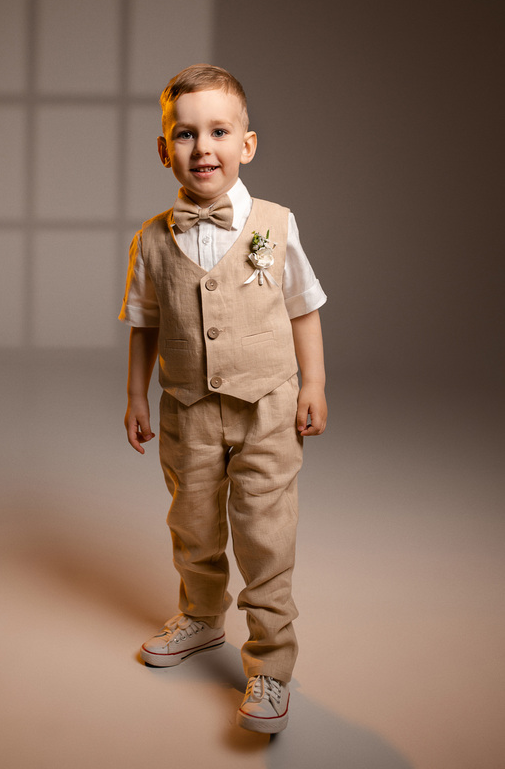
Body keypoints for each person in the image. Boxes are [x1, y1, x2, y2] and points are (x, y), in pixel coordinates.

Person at [119, 64, 327, 734]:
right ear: (163, 149)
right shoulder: (152, 238)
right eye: (185, 134)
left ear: (247, 144)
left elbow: (301, 307)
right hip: (186, 410)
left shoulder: (273, 224)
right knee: (193, 523)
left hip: (267, 404)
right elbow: (144, 322)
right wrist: (136, 396)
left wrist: (314, 384)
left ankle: (270, 664)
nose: (202, 147)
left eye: (218, 132)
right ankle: (203, 616)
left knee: (265, 536)